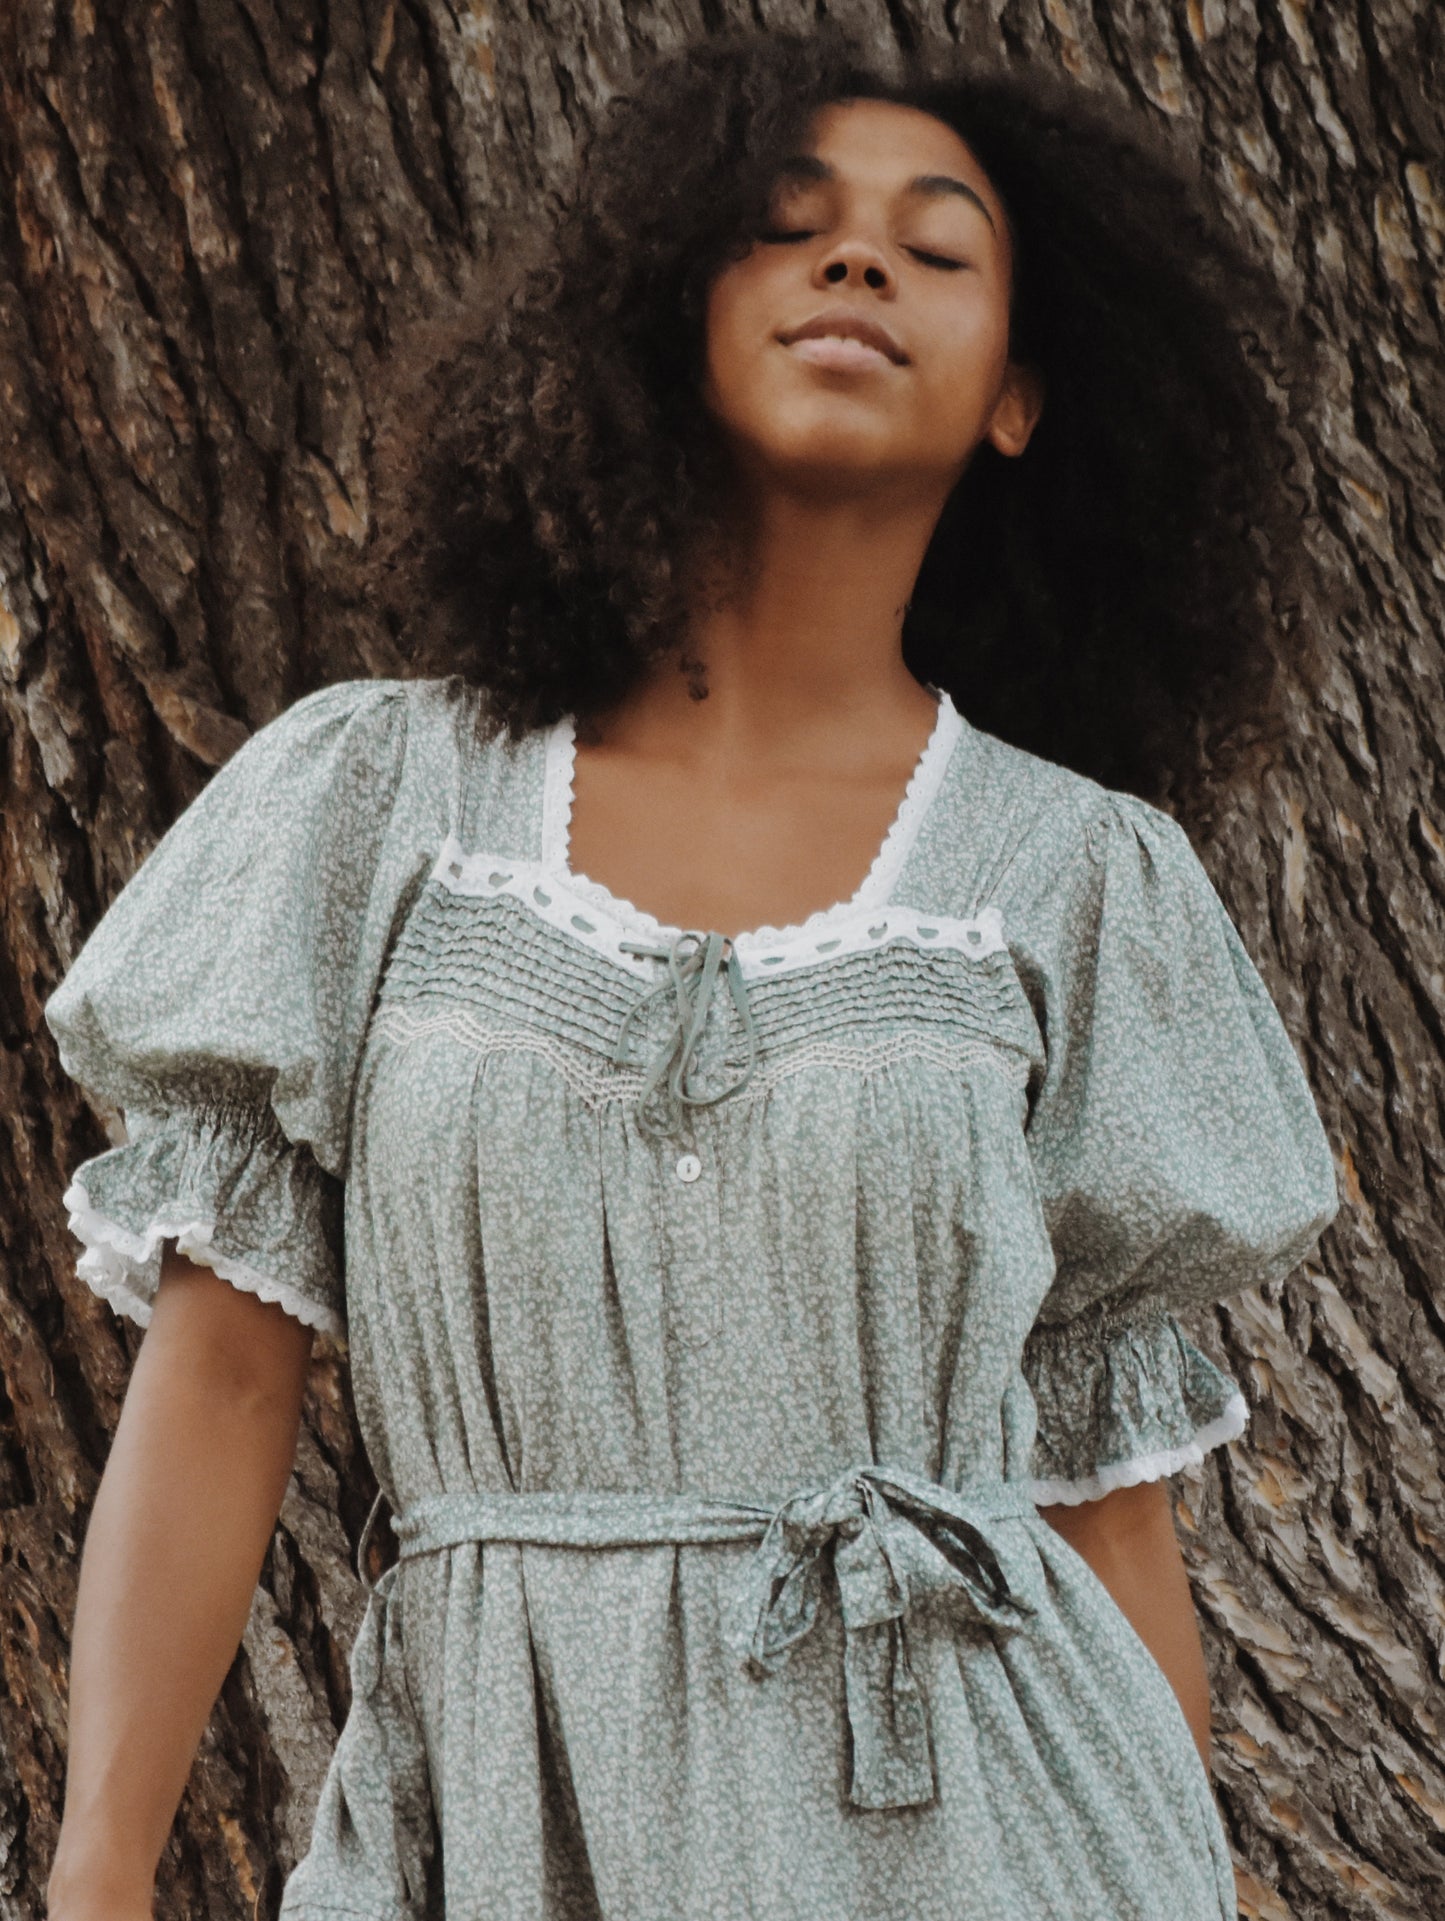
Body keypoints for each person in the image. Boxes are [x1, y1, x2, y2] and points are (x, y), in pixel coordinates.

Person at [43, 24, 1340, 1921]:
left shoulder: (1084, 882)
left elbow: (1099, 1499)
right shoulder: (376, 796)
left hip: (1003, 1832)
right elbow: (225, 1377)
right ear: (663, 314)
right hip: (503, 1819)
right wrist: (97, 1879)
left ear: (1020, 395)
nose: (859, 263)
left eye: (935, 244)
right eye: (789, 225)